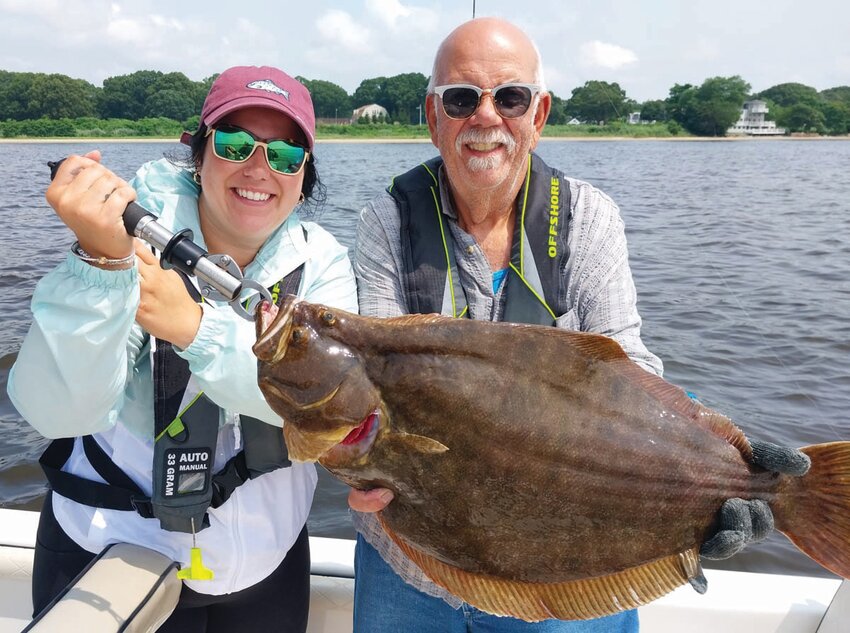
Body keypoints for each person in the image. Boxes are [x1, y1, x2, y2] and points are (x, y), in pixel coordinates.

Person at [348, 17, 810, 633]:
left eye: (508, 97)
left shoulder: (589, 218)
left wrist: (724, 466)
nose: (485, 118)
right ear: (434, 118)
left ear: (537, 115)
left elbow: (629, 368)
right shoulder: (386, 224)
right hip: (407, 565)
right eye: (461, 99)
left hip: (564, 577)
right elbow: (370, 388)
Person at [8, 65, 357, 632]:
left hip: (267, 564)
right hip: (113, 550)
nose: (259, 168)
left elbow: (328, 407)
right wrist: (100, 266)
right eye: (235, 143)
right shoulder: (125, 242)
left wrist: (196, 326)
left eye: (286, 156)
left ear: (303, 175)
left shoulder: (323, 263)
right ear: (199, 153)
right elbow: (57, 411)